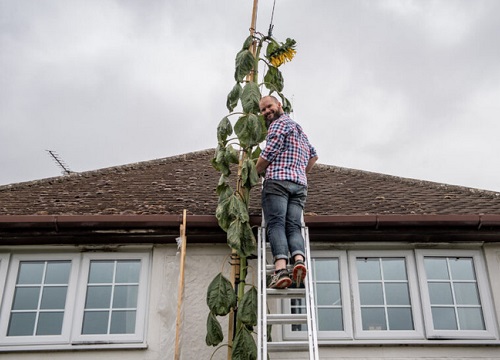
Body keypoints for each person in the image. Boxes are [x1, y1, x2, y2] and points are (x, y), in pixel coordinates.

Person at [256, 95, 318, 289]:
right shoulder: (299, 128)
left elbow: (269, 152)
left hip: (278, 183)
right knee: (293, 226)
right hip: (299, 185)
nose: (266, 112)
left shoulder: (277, 125)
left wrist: (256, 170)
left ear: (279, 105)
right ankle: (298, 260)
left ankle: (281, 270)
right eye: (263, 110)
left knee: (276, 225)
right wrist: (299, 171)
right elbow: (314, 156)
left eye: (269, 107)